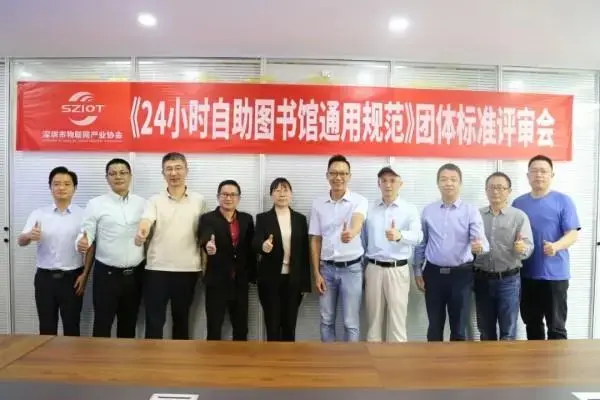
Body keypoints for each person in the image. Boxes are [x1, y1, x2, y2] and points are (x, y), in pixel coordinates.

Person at [413, 163, 489, 341]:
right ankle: (434, 359)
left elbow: (481, 241)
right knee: (434, 326)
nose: (448, 183)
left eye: (453, 179)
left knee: (459, 328)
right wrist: (417, 271)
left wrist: (479, 247)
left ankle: (458, 360)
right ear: (438, 183)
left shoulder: (470, 211)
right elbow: (421, 243)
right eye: (444, 179)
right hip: (433, 274)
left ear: (460, 183)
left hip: (461, 275)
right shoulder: (428, 211)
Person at [135, 152, 207, 340]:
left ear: (186, 170)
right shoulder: (154, 200)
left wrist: (206, 266)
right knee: (154, 322)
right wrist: (142, 230)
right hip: (157, 269)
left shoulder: (200, 201)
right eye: (169, 169)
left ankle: (180, 359)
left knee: (182, 321)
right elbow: (146, 220)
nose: (174, 173)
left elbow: (205, 235)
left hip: (188, 269)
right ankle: (152, 357)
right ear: (163, 173)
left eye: (178, 168)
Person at [76, 158, 146, 338]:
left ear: (130, 176)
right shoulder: (96, 204)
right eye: (113, 173)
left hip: (135, 275)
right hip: (106, 276)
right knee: (102, 324)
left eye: (123, 173)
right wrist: (82, 241)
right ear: (107, 178)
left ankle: (125, 357)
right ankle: (99, 357)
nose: (118, 177)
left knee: (128, 325)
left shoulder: (143, 203)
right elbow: (86, 233)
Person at [512, 154, 580, 340]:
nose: (539, 175)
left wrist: (556, 246)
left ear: (552, 175)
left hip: (555, 276)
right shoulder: (518, 203)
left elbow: (573, 234)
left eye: (543, 171)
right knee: (532, 325)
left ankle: (556, 360)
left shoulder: (563, 201)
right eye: (534, 171)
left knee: (556, 328)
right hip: (526, 274)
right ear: (528, 176)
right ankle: (536, 360)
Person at [17, 166, 85, 336]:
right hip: (45, 279)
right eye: (56, 184)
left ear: (74, 188)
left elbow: (91, 246)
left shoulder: (83, 215)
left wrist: (85, 275)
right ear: (50, 187)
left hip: (73, 278)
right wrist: (29, 236)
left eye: (67, 184)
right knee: (47, 328)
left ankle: (72, 355)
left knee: (72, 327)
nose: (61, 187)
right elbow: (21, 241)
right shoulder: (38, 214)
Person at [309, 154, 368, 342]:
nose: (338, 177)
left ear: (349, 176)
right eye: (334, 173)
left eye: (343, 173)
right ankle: (329, 358)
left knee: (351, 322)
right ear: (327, 175)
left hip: (352, 269)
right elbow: (315, 239)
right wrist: (317, 274)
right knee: (326, 320)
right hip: (326, 270)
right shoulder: (318, 204)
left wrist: (352, 232)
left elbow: (358, 220)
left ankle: (351, 360)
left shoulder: (359, 201)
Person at [363, 166, 422, 342]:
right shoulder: (369, 208)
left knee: (397, 321)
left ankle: (397, 359)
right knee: (373, 322)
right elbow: (363, 239)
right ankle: (374, 358)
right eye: (384, 181)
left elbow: (418, 237)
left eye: (392, 180)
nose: (388, 185)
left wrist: (400, 236)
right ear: (378, 184)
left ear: (400, 184)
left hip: (398, 269)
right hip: (373, 268)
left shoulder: (409, 209)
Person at [474, 172, 533, 341]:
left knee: (508, 331)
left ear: (509, 191)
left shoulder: (519, 216)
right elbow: (467, 245)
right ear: (486, 190)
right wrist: (471, 249)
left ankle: (507, 360)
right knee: (486, 331)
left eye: (500, 188)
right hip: (482, 279)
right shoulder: (476, 216)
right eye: (492, 187)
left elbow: (529, 247)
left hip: (508, 281)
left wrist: (522, 248)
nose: (495, 191)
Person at [254, 177, 311, 342]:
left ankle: (288, 357)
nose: (281, 194)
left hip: (293, 280)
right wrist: (263, 246)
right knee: (272, 325)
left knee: (289, 325)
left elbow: (304, 253)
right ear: (271, 195)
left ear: (291, 194)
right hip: (270, 279)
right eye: (277, 190)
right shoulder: (263, 218)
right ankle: (272, 358)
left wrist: (305, 284)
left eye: (285, 190)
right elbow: (255, 242)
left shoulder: (300, 219)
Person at [199, 180, 256, 341]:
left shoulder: (246, 219)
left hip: (240, 282)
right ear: (218, 197)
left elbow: (251, 248)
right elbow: (205, 235)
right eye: (224, 194)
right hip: (216, 281)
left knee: (241, 328)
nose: (228, 198)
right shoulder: (208, 218)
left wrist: (252, 275)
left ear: (238, 198)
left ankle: (240, 357)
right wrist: (208, 245)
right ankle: (213, 357)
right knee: (214, 327)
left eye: (232, 195)